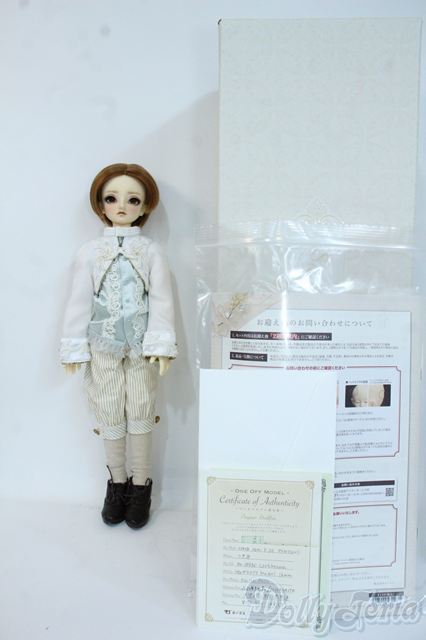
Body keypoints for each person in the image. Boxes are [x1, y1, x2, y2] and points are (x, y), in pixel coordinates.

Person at [60, 163, 177, 528]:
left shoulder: (151, 251)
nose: (122, 206)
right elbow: (78, 301)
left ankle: (141, 487)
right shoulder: (90, 252)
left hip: (142, 348)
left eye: (133, 200)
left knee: (141, 408)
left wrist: (161, 344)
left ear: (145, 206)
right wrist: (73, 347)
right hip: (103, 345)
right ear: (101, 205)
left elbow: (162, 300)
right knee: (109, 409)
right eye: (112, 199)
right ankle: (117, 484)